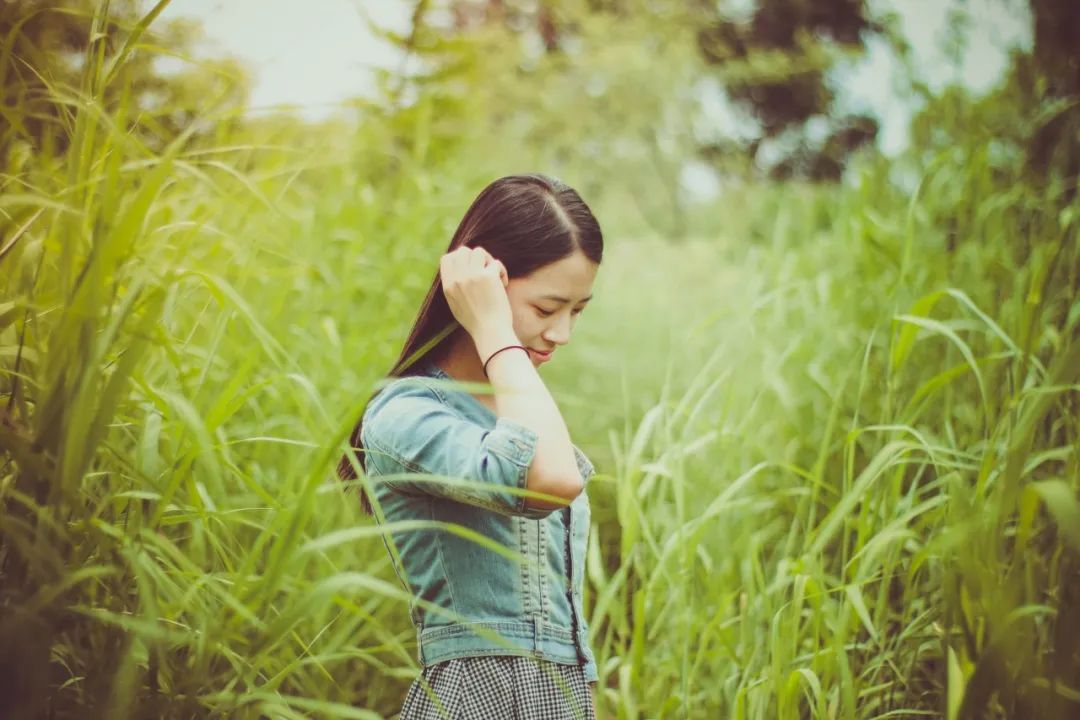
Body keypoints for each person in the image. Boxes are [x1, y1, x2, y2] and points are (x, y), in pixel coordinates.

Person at [337, 174, 604, 719]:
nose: (562, 334)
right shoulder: (404, 413)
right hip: (480, 696)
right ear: (484, 286)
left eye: (578, 311)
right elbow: (552, 480)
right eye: (547, 307)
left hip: (562, 696)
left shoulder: (520, 408)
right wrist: (493, 331)